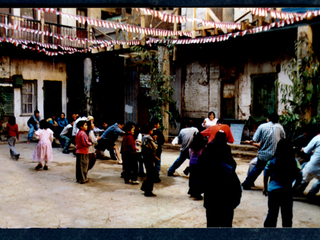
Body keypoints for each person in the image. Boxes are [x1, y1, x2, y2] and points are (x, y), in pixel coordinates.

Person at [197, 131, 242, 227]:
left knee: (212, 223)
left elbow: (200, 168)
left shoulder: (208, 151)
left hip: (212, 194)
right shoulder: (227, 153)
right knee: (226, 224)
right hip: (226, 196)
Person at [263, 139, 302, 228]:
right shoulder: (294, 162)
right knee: (287, 215)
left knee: (272, 213)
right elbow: (299, 176)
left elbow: (266, 173)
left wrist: (265, 188)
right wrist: (293, 189)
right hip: (287, 191)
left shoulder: (273, 160)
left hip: (273, 190)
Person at [242, 113, 285, 190]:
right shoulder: (280, 127)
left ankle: (247, 183)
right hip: (274, 155)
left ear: (268, 119)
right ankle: (271, 187)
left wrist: (250, 142)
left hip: (263, 154)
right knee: (273, 171)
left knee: (256, 169)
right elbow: (283, 140)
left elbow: (255, 139)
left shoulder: (262, 126)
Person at [294, 130, 320, 199]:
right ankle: (311, 193)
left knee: (302, 178)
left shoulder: (317, 138)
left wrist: (303, 149)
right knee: (318, 182)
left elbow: (306, 150)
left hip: (313, 165)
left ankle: (294, 191)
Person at [140, 124, 159, 197]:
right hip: (149, 157)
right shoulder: (149, 138)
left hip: (145, 157)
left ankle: (144, 187)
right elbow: (154, 147)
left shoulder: (144, 137)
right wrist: (155, 140)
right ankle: (148, 190)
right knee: (151, 174)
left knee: (149, 173)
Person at [188, 132, 206, 200]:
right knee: (198, 178)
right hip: (200, 163)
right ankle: (197, 192)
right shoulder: (203, 146)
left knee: (192, 177)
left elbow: (190, 154)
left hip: (192, 162)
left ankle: (191, 190)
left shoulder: (192, 145)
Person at [151, 118, 165, 183]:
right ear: (156, 125)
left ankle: (151, 175)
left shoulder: (150, 131)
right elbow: (162, 141)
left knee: (151, 163)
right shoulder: (159, 132)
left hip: (150, 150)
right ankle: (156, 176)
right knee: (157, 163)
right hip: (157, 150)